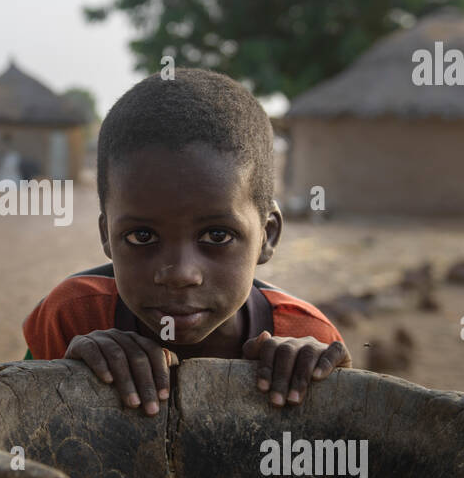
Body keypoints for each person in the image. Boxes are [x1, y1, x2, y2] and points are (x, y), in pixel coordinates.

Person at [22, 68, 351, 416]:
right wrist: (65, 374)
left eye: (217, 236)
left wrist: (320, 382)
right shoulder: (73, 317)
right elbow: (19, 421)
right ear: (106, 235)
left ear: (267, 236)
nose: (179, 274)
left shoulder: (306, 335)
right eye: (142, 236)